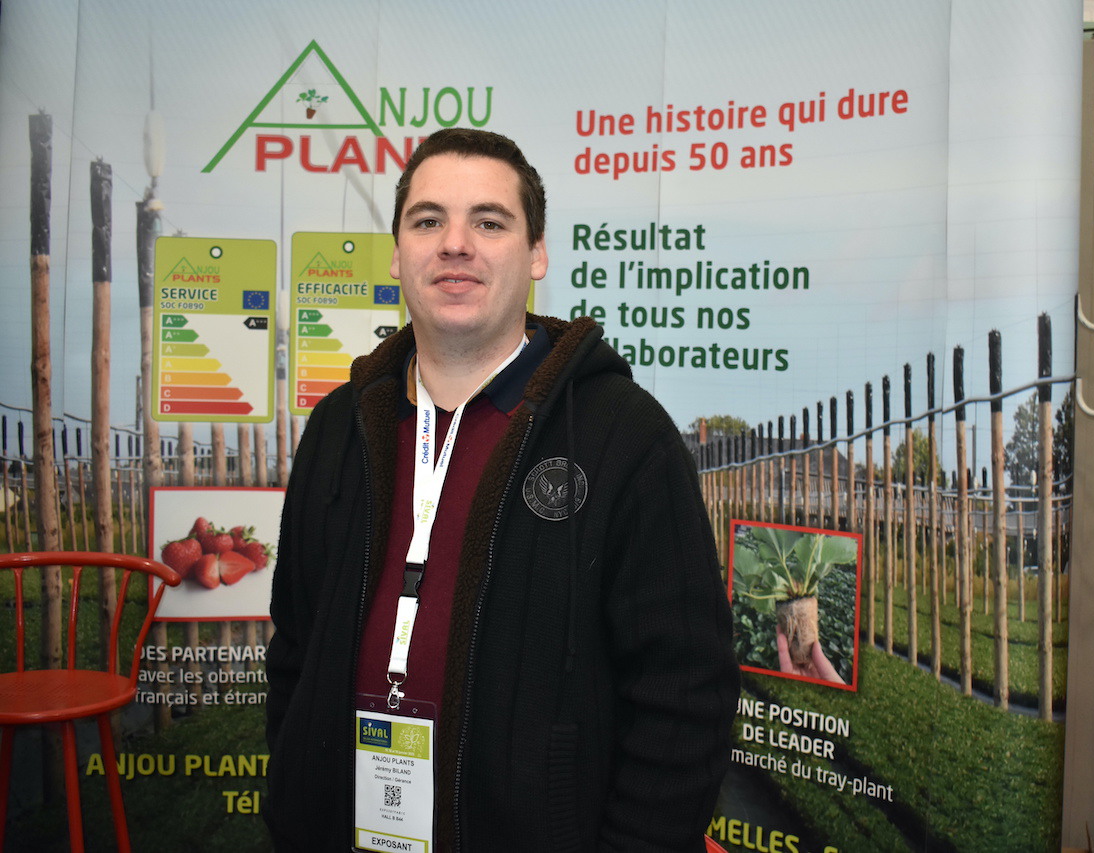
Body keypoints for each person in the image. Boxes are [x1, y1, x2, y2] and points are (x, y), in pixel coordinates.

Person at [265, 128, 740, 852]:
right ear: (396, 253)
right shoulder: (339, 425)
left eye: (489, 223)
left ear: (536, 253)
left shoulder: (623, 436)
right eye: (428, 221)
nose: (455, 244)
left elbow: (685, 696)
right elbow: (295, 647)